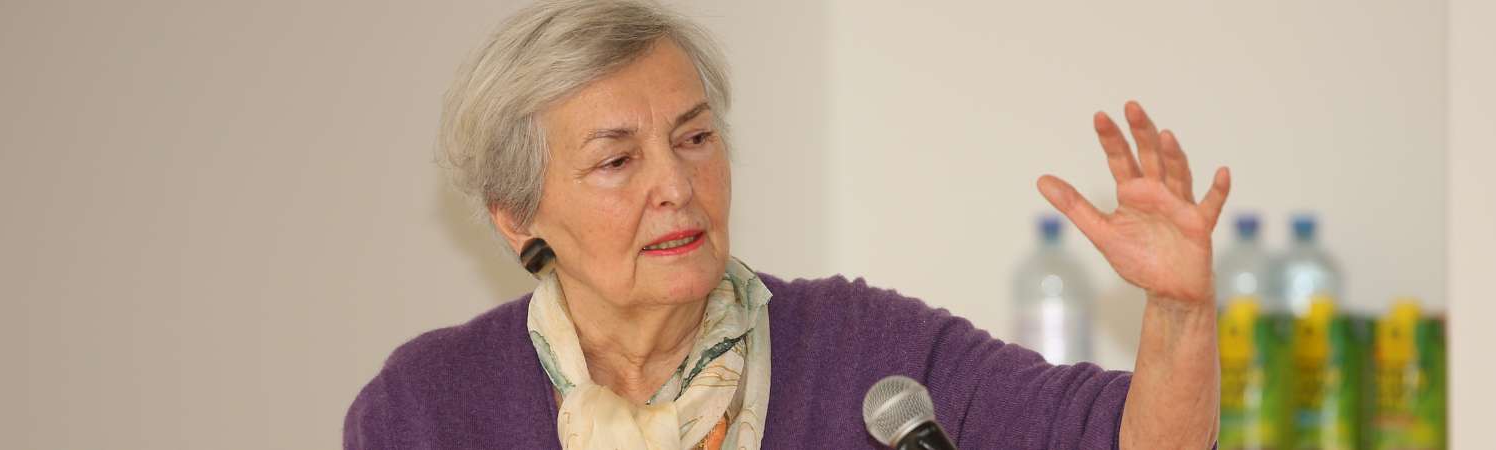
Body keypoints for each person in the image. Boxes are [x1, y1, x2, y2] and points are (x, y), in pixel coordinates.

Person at [344, 0, 1232, 448]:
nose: (677, 185)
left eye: (695, 139)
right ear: (516, 216)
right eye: (617, 160)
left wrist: (1181, 312)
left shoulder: (869, 358)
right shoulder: (428, 407)